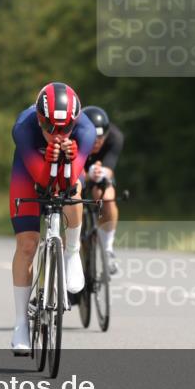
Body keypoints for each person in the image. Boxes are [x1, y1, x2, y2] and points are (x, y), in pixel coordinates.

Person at [9, 82, 96, 355]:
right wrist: (49, 160)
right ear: (39, 120)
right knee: (27, 245)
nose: (58, 136)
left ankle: (71, 252)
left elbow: (68, 185)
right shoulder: (24, 128)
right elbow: (43, 181)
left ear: (75, 122)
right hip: (29, 170)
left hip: (67, 174)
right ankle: (21, 324)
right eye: (50, 129)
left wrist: (67, 160)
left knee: (74, 191)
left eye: (65, 129)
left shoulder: (86, 131)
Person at [81, 106, 125, 275]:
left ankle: (107, 248)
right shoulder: (73, 136)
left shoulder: (115, 137)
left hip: (99, 173)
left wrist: (99, 173)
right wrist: (86, 173)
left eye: (101, 138)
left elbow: (109, 168)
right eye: (93, 138)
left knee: (106, 196)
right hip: (77, 172)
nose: (97, 143)